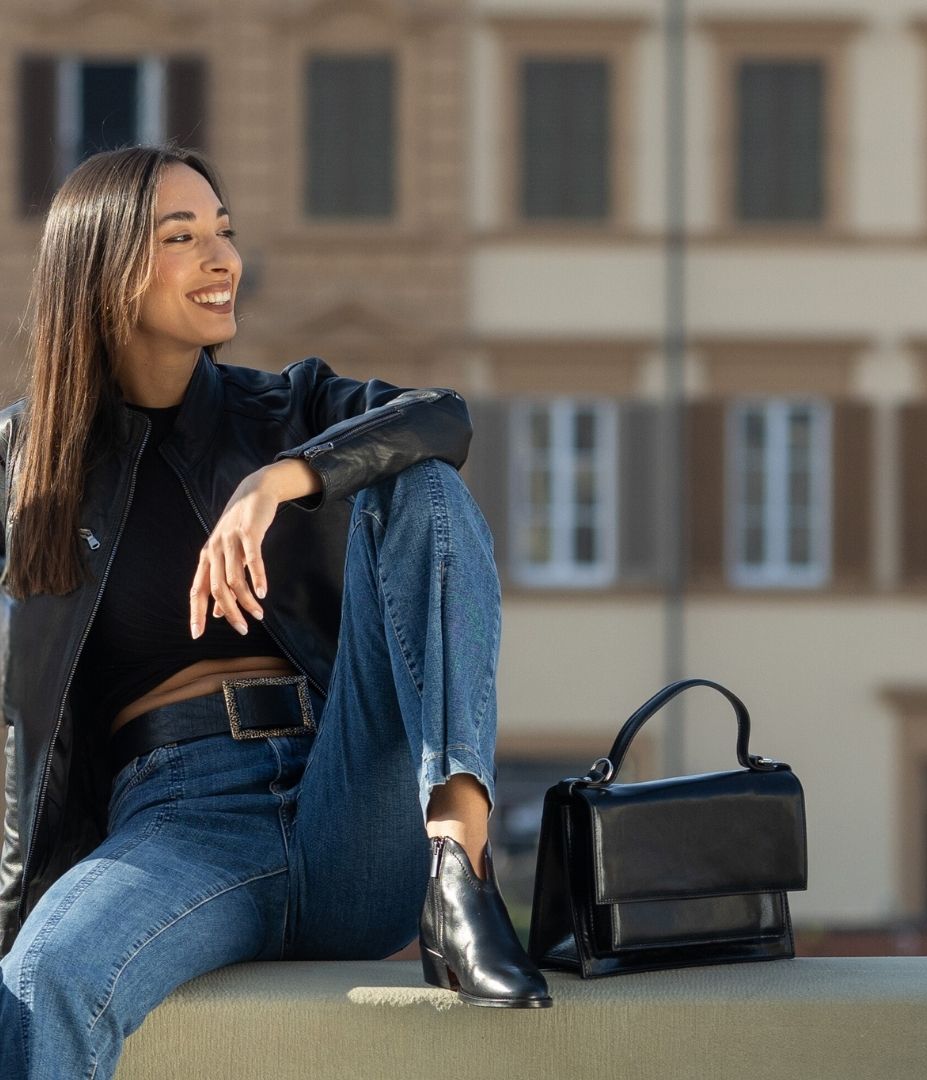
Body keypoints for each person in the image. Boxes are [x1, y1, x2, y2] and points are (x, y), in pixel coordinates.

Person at [0, 144, 551, 1078]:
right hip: (179, 825)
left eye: (224, 231)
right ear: (100, 266)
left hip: (352, 793)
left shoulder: (286, 408)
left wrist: (280, 479)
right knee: (46, 975)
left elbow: (442, 416)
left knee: (423, 487)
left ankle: (460, 873)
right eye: (183, 237)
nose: (224, 259)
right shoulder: (23, 467)